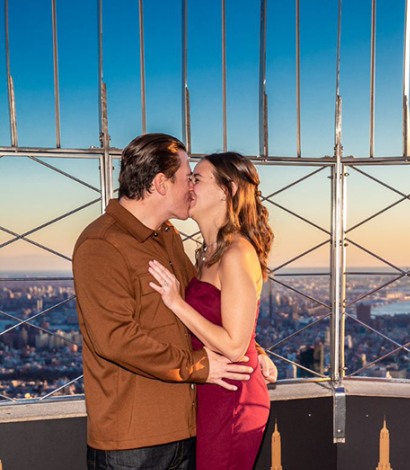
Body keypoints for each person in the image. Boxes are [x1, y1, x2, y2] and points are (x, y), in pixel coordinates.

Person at [73, 134, 277, 470]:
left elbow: (205, 310)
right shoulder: (102, 244)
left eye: (197, 179)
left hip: (188, 423)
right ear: (160, 184)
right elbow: (114, 339)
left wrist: (253, 348)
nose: (191, 188)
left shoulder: (168, 238)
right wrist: (200, 365)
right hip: (134, 439)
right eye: (188, 178)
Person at [148, 151, 274, 470]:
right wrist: (256, 348)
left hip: (233, 395)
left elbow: (233, 345)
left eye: (197, 178)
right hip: (214, 389)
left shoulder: (235, 254)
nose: (188, 185)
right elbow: (226, 320)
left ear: (226, 191)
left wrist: (176, 302)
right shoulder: (208, 254)